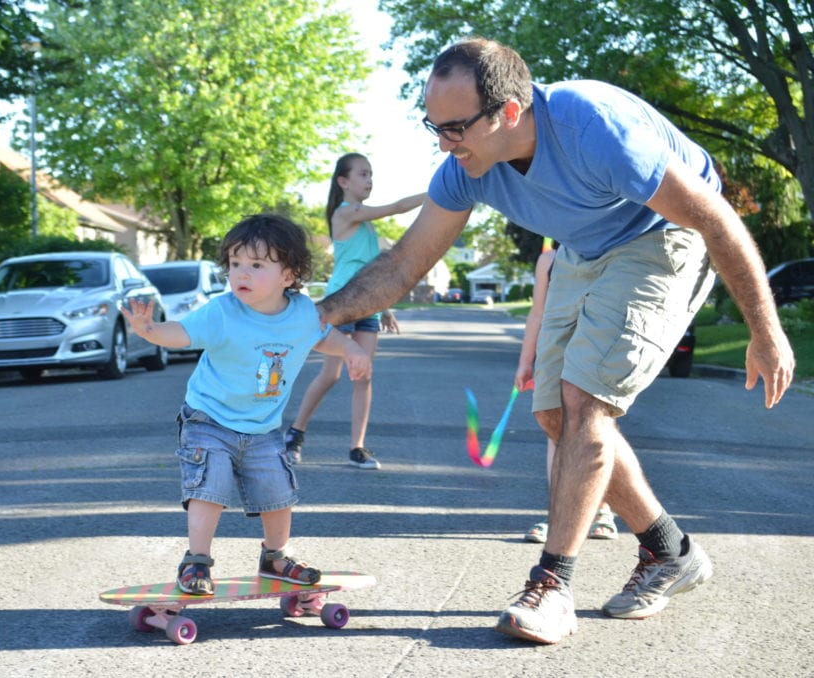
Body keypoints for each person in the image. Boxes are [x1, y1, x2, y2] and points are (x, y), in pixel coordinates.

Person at [318, 37, 794, 644]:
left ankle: (551, 584)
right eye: (433, 127)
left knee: (584, 402)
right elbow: (404, 264)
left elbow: (712, 214)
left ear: (508, 113)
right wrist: (321, 314)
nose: (443, 143)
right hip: (585, 246)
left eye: (455, 127)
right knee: (553, 413)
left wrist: (765, 328)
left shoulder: (592, 127)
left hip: (662, 235)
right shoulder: (467, 170)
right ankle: (670, 550)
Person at [121, 213, 371, 595]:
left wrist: (352, 348)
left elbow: (324, 338)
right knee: (209, 487)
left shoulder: (302, 312)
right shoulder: (223, 311)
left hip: (263, 427)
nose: (242, 273)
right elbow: (183, 333)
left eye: (256, 265)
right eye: (235, 264)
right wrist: (150, 331)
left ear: (288, 275)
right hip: (208, 419)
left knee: (278, 493)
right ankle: (196, 562)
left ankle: (276, 556)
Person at [284, 153, 425, 470]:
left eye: (371, 174)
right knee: (330, 375)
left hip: (369, 305)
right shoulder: (345, 214)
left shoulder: (368, 229)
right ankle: (295, 434)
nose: (369, 180)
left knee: (364, 376)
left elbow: (373, 271)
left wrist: (384, 306)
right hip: (342, 303)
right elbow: (397, 207)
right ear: (343, 182)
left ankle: (356, 448)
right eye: (363, 174)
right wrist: (438, 193)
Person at [517, 245, 617, 544]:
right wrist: (526, 361)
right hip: (556, 347)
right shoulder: (548, 260)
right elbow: (538, 314)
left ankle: (602, 510)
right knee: (556, 427)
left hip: (599, 348)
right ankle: (558, 515)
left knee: (598, 426)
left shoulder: (613, 249)